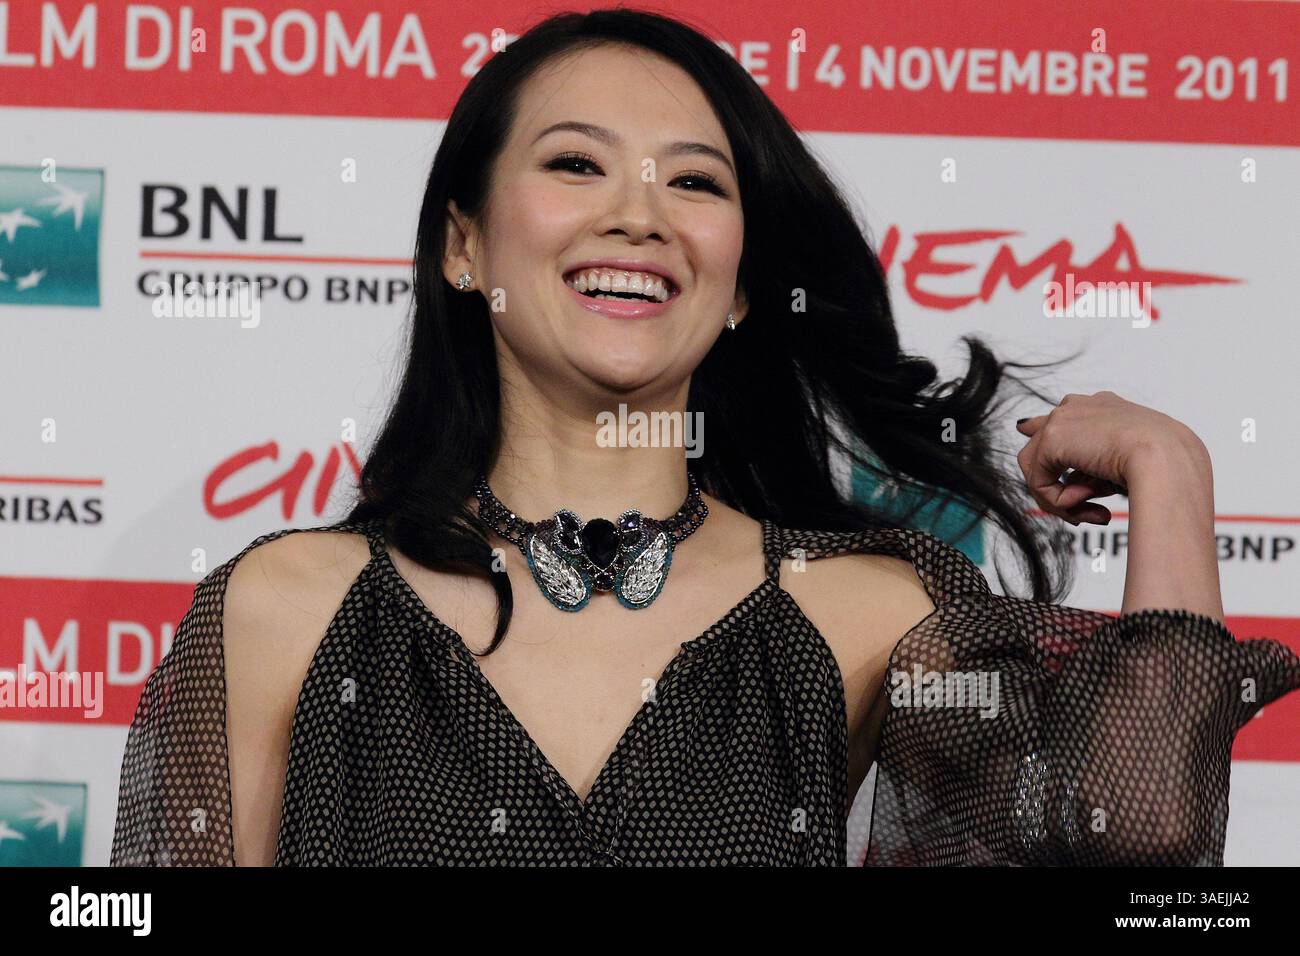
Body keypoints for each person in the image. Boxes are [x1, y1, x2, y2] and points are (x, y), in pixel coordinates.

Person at [110, 9, 1300, 867]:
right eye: (575, 163)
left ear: (737, 288)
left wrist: (1172, 466)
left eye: (694, 182)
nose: (636, 213)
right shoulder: (289, 607)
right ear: (463, 249)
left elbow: (1137, 831)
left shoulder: (866, 608)